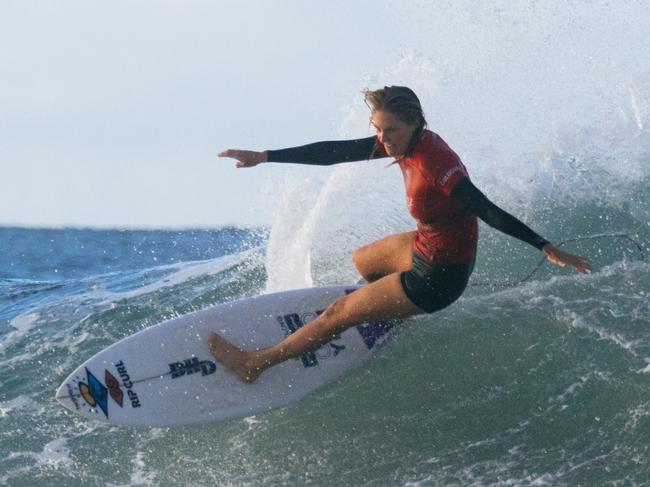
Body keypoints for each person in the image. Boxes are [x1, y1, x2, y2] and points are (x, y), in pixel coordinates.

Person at [209, 85, 591, 383]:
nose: (383, 139)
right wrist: (267, 156)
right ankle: (387, 309)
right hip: (424, 246)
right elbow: (336, 152)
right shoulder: (407, 140)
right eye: (378, 129)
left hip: (437, 277)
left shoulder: (434, 166)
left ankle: (254, 364)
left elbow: (484, 207)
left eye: (391, 129)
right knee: (363, 260)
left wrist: (546, 246)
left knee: (337, 314)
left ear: (414, 123)